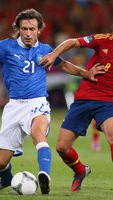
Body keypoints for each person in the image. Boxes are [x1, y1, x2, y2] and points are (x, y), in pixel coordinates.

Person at [0, 9, 103, 195]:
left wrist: (85, 73)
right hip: (14, 106)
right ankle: (6, 180)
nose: (28, 33)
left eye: (32, 29)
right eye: (24, 28)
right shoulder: (6, 47)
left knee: (38, 133)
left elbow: (64, 65)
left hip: (38, 103)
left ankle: (44, 176)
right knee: (0, 162)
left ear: (39, 30)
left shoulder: (45, 50)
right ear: (18, 29)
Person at [39, 33, 113, 192]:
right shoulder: (103, 40)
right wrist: (54, 54)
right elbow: (72, 42)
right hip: (84, 98)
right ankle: (80, 171)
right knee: (62, 147)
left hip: (108, 101)